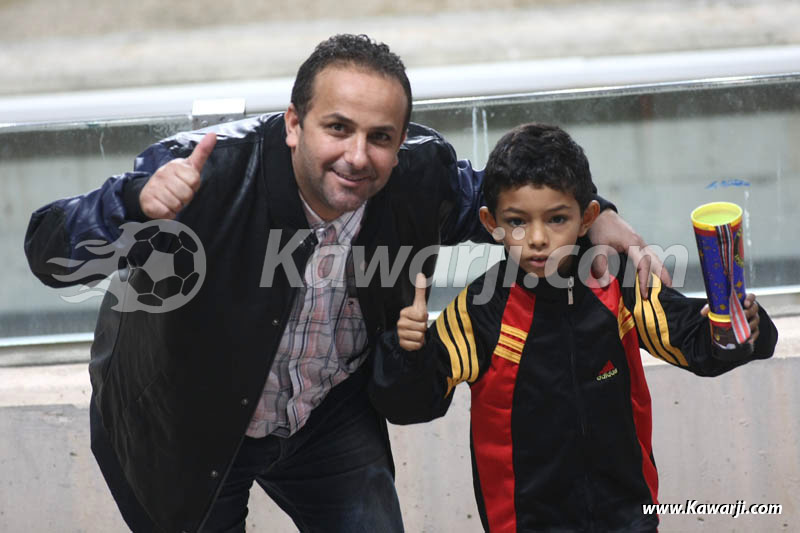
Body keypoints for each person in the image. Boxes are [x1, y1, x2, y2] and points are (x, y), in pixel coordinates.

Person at [25, 35, 666, 532]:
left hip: (326, 416)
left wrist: (599, 214)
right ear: (294, 124)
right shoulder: (205, 177)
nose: (358, 156)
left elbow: (505, 202)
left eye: (380, 137)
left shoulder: (420, 176)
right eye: (338, 128)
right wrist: (135, 202)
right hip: (188, 425)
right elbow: (50, 253)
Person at [369, 123, 778, 532]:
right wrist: (409, 350)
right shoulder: (482, 308)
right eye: (516, 222)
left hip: (629, 518)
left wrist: (744, 327)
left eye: (557, 218)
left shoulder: (618, 280)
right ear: (490, 222)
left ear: (588, 219)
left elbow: (696, 343)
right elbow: (412, 403)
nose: (537, 239)